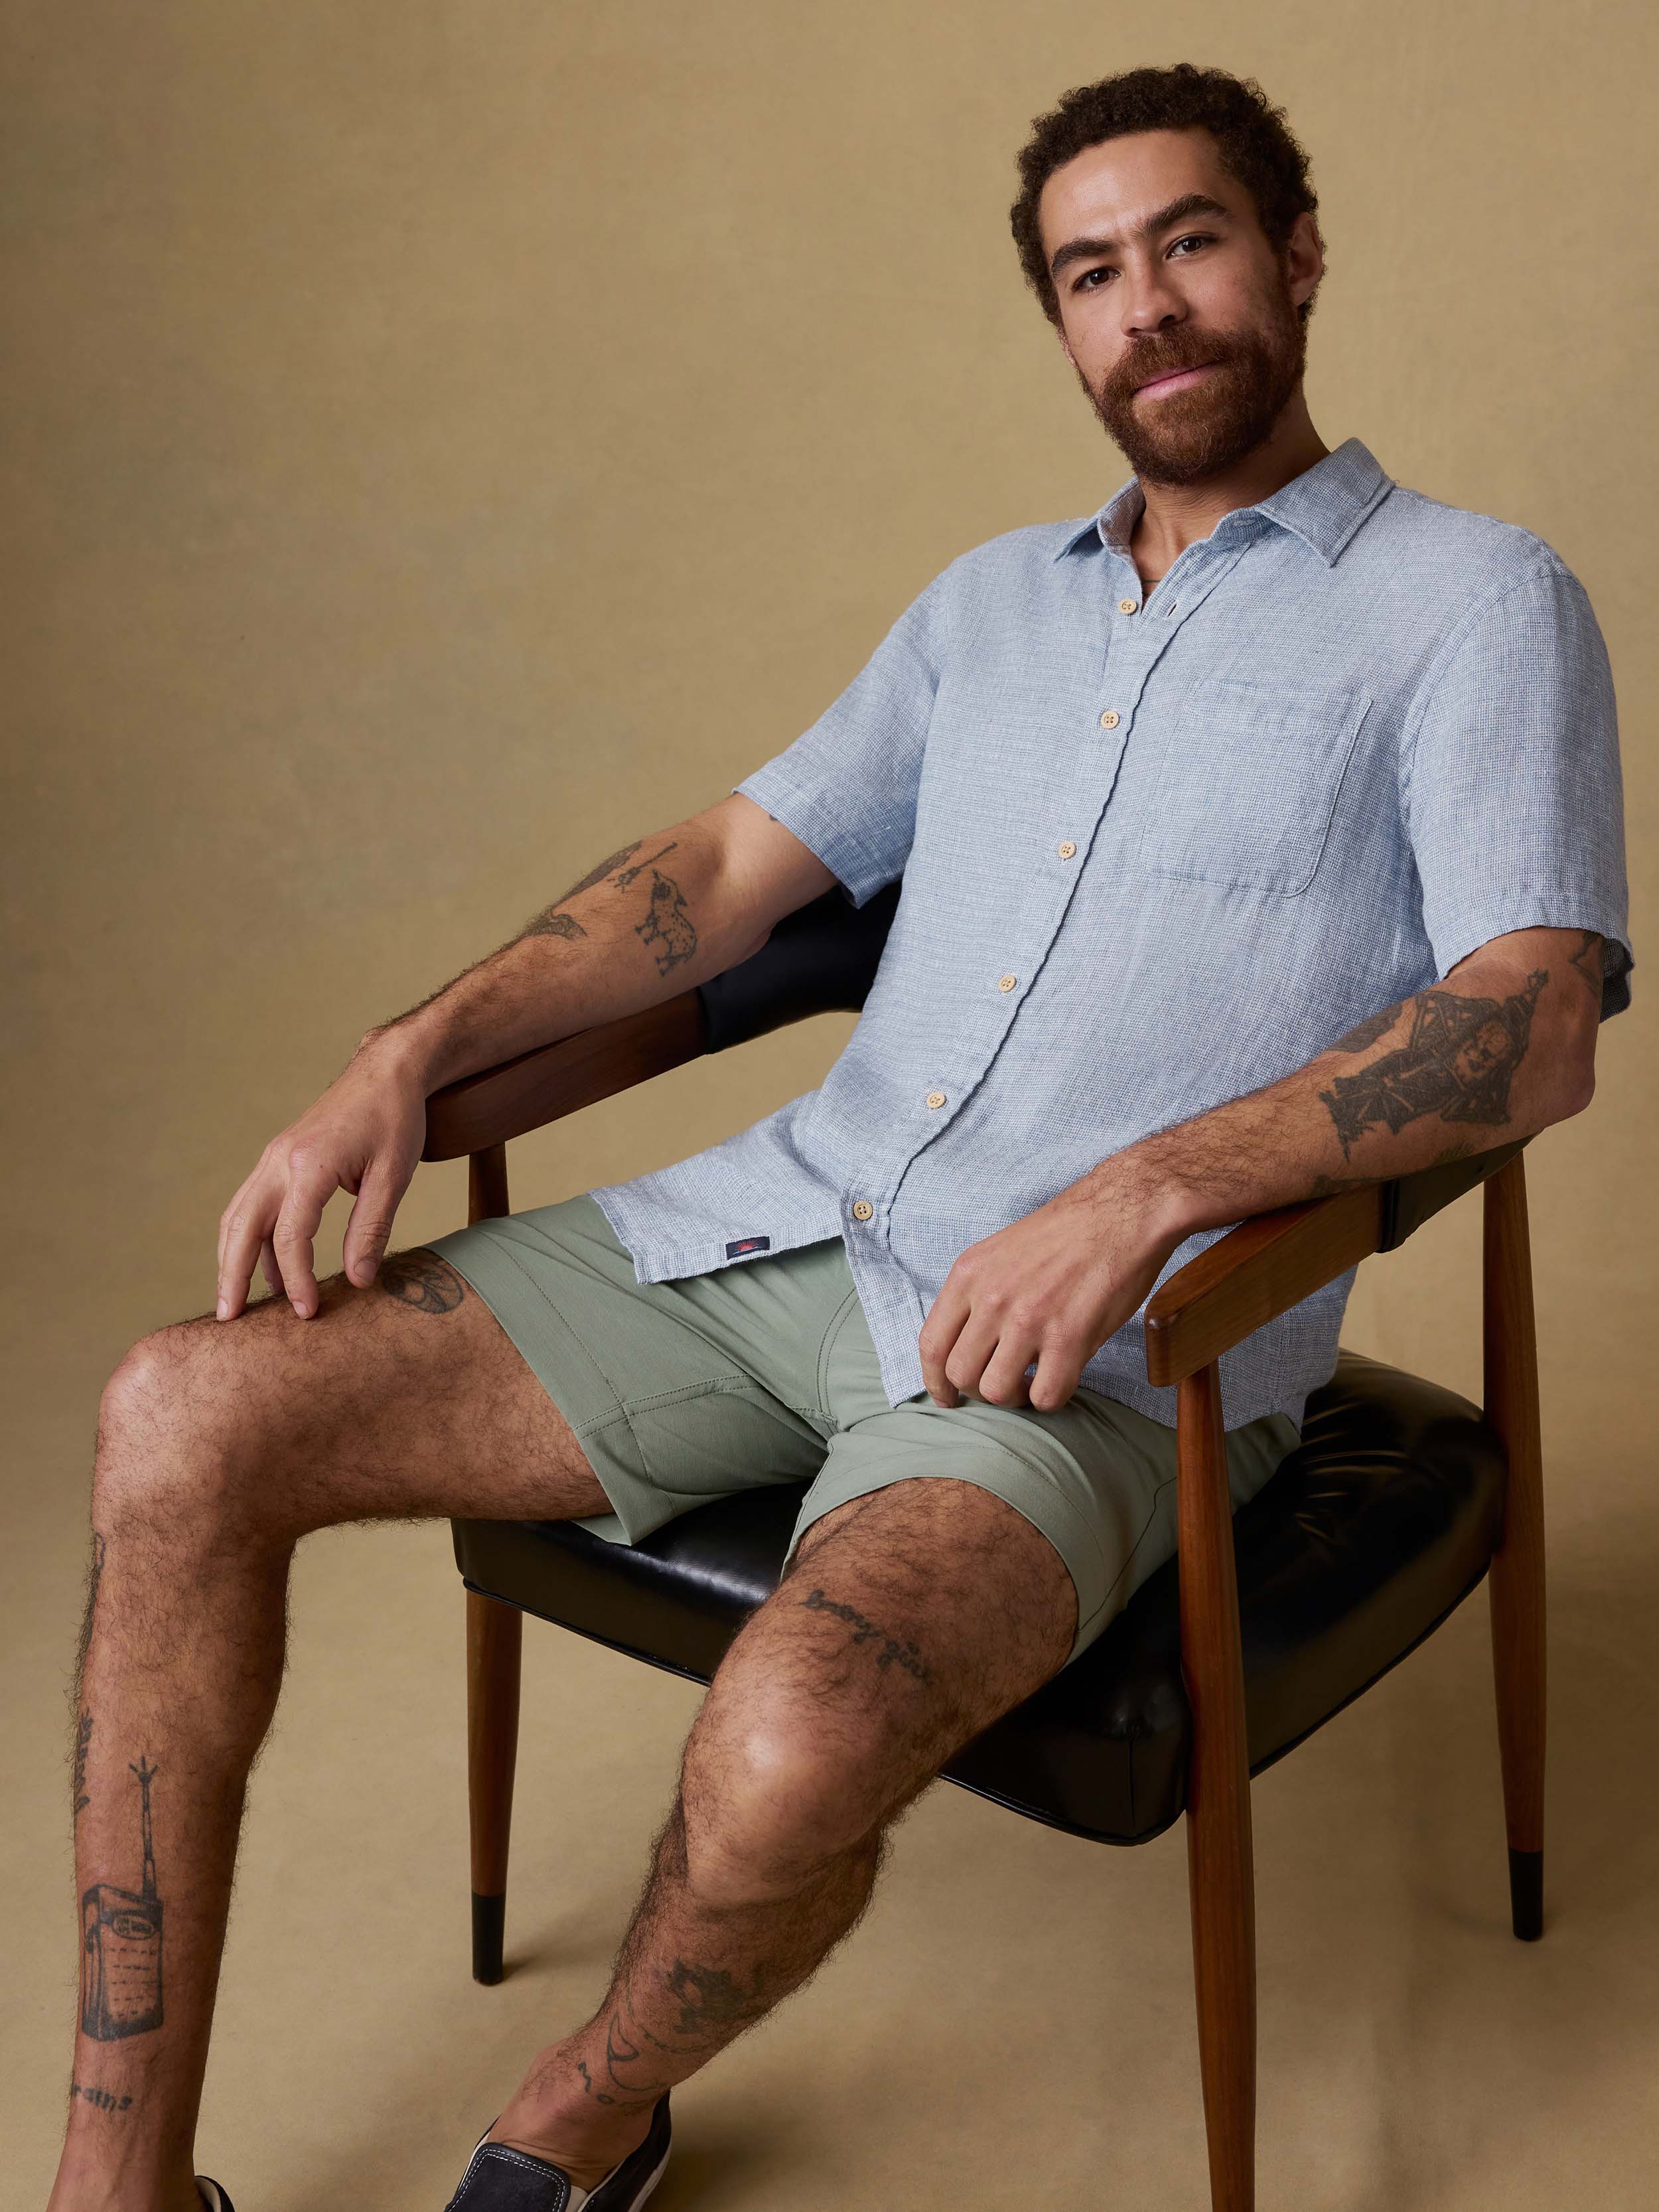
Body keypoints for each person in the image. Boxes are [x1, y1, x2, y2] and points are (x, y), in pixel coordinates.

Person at [50, 58, 1631, 2212]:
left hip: (1093, 1354)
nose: (1147, 307)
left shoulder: (1469, 599)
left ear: (1294, 257)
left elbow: (1533, 1016)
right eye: (1091, 274)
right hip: (777, 1230)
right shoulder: (987, 607)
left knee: (793, 1739)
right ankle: (118, 2187)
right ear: (1061, 323)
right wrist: (404, 1054)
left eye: (1187, 243)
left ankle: (585, 2105)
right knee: (177, 1412)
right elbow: (721, 875)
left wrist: (1149, 1187)